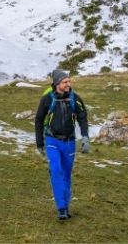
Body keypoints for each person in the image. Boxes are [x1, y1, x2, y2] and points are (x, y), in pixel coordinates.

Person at [34, 68, 89, 220]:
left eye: (69, 81)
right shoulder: (47, 99)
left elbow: (83, 117)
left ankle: (65, 205)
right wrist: (40, 143)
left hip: (69, 142)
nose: (68, 84)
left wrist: (85, 138)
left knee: (66, 174)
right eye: (65, 82)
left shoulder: (75, 98)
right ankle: (61, 209)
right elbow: (39, 119)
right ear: (57, 83)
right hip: (52, 140)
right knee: (56, 170)